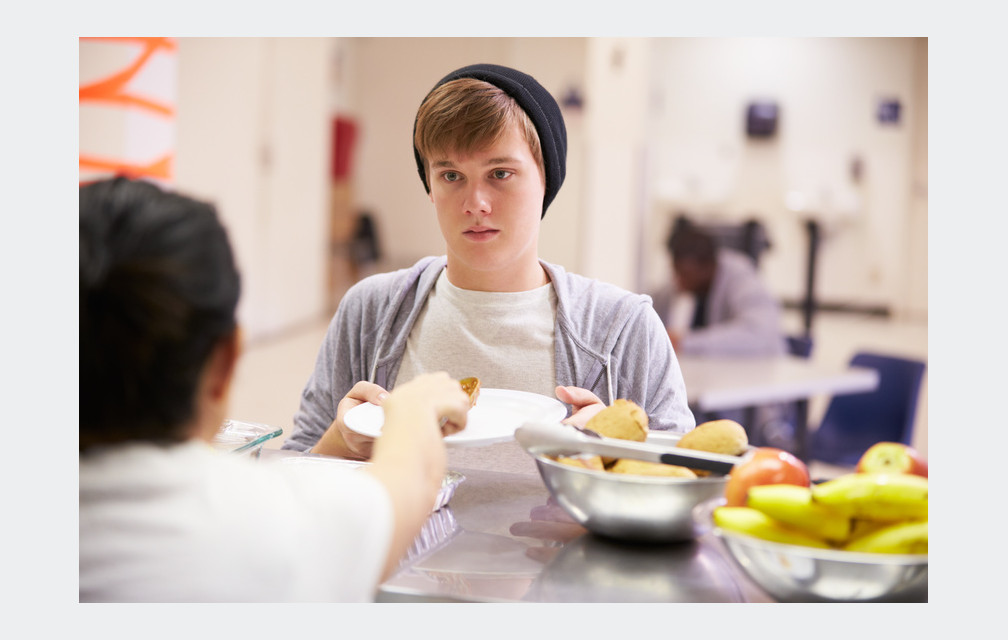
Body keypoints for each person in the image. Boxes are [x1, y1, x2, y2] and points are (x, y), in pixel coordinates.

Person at [79, 176, 471, 602]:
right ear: (226, 360)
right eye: (451, 175)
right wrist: (412, 409)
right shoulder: (272, 527)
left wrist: (337, 440)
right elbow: (406, 487)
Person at [283, 63, 695, 459]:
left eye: (500, 174)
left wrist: (611, 454)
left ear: (546, 179)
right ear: (429, 184)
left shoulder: (622, 329)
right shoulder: (370, 312)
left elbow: (689, 482)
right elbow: (297, 470)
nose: (475, 204)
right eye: (450, 176)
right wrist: (342, 439)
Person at [651, 221, 786, 357]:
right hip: (719, 370)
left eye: (684, 274)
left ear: (707, 267)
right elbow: (653, 310)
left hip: (764, 368)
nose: (678, 281)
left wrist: (684, 342)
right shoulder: (684, 285)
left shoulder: (741, 278)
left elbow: (758, 334)